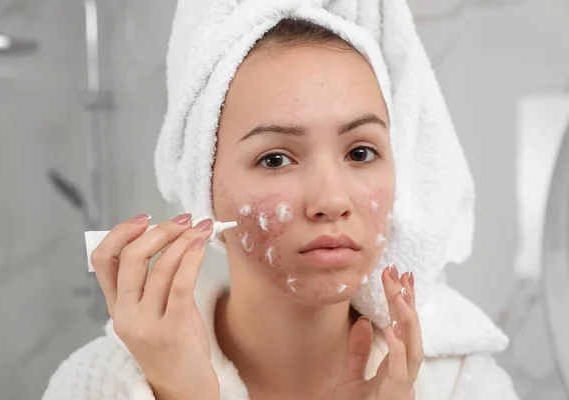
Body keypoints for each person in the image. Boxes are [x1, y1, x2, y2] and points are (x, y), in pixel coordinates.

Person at [43, 2, 519, 400]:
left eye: (361, 151)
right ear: (203, 188)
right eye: (275, 159)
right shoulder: (96, 385)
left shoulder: (464, 382)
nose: (331, 200)